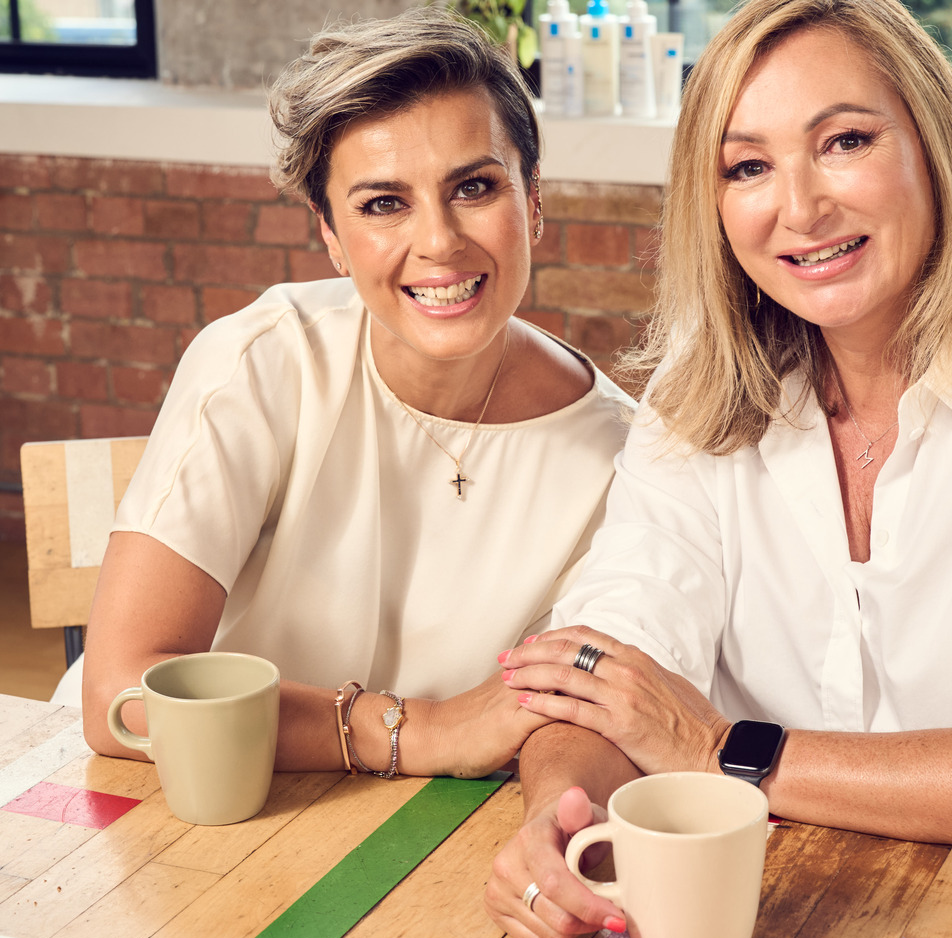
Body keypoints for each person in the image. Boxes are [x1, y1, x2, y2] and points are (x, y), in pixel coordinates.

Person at [484, 0, 952, 938]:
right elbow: (610, 665)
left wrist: (723, 753)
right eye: (748, 167)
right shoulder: (707, 386)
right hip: (785, 912)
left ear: (936, 146)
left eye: (845, 141)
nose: (800, 207)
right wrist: (559, 817)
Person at [78, 10, 633, 780]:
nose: (438, 242)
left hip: (420, 835)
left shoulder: (619, 459)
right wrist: (415, 731)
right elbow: (120, 693)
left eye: (473, 187)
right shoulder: (266, 361)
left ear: (532, 201)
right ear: (331, 235)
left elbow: (571, 724)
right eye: (383, 203)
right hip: (197, 802)